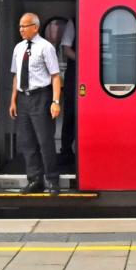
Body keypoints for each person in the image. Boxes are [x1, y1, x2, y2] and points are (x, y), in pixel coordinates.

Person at [9, 12, 62, 194]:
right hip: (23, 98)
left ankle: (53, 180)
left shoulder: (46, 47)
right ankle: (35, 179)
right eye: (20, 26)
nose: (21, 30)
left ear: (36, 27)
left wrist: (55, 101)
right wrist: (13, 100)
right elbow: (16, 75)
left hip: (42, 97)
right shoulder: (18, 48)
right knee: (27, 142)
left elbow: (55, 76)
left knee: (45, 140)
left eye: (25, 26)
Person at [58, 18, 76, 164]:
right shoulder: (73, 22)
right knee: (70, 113)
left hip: (93, 75)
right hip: (74, 75)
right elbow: (66, 48)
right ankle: (66, 150)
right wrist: (84, 60)